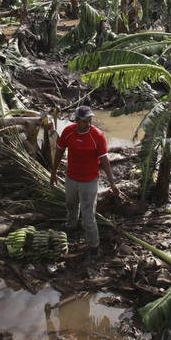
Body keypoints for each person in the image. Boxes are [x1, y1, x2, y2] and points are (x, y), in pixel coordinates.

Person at [50, 105, 119, 257]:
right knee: (70, 205)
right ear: (76, 121)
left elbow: (105, 161)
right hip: (71, 178)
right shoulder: (68, 133)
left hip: (89, 182)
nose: (88, 124)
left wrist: (112, 183)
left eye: (90, 120)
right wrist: (53, 173)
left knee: (88, 216)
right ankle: (71, 227)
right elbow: (59, 152)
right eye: (85, 121)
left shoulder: (97, 136)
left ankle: (94, 247)